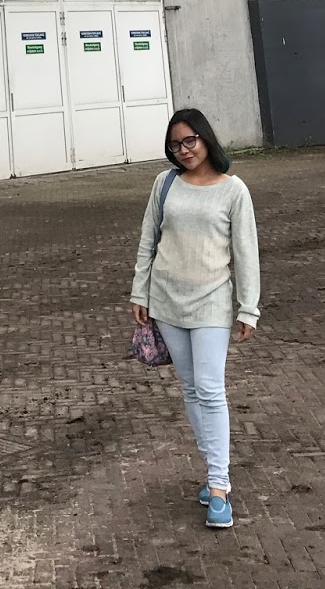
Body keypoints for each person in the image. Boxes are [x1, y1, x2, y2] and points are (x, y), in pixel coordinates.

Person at [130, 108, 260, 531]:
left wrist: (249, 307)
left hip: (211, 304)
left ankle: (219, 486)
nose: (184, 150)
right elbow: (149, 238)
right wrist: (139, 291)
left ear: (205, 138)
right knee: (189, 388)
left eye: (190, 140)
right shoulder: (165, 183)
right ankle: (213, 473)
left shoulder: (233, 190)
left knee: (210, 389)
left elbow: (246, 252)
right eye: (175, 144)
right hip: (166, 301)